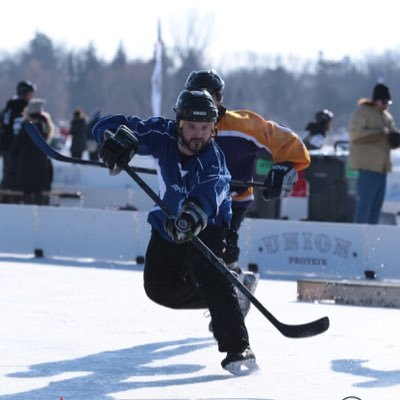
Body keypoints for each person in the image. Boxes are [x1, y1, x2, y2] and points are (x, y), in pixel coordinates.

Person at [92, 89, 256, 374]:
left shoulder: (214, 162)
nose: (198, 135)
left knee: (211, 278)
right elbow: (109, 126)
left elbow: (209, 194)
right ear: (178, 123)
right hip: (168, 222)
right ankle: (230, 292)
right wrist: (115, 142)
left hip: (208, 225)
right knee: (159, 289)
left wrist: (192, 215)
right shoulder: (161, 134)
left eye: (206, 128)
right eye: (192, 126)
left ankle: (238, 349)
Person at [185, 70, 311, 317]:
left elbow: (291, 143)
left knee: (221, 254)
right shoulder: (183, 125)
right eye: (194, 96)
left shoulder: (243, 125)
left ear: (219, 98)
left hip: (234, 201)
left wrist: (285, 165)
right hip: (198, 201)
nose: (200, 103)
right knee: (197, 258)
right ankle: (233, 287)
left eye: (208, 97)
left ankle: (229, 298)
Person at [349, 83, 397, 224]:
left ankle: (371, 242)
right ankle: (358, 237)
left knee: (376, 207)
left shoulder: (387, 116)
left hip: (382, 168)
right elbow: (355, 135)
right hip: (368, 167)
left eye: (388, 102)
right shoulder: (362, 112)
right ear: (376, 100)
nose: (386, 105)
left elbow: (391, 135)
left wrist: (395, 139)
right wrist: (380, 133)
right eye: (383, 102)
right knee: (364, 205)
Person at [12, 98, 54, 205]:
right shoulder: (45, 125)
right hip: (40, 162)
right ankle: (38, 214)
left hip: (25, 162)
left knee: (26, 191)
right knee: (38, 191)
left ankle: (28, 214)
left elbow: (16, 145)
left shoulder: (26, 125)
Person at [0, 80, 36, 203]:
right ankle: (9, 199)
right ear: (24, 93)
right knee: (14, 173)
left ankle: (6, 197)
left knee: (8, 173)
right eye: (31, 93)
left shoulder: (9, 106)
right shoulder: (20, 106)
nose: (32, 97)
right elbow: (17, 129)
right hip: (13, 147)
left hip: (6, 146)